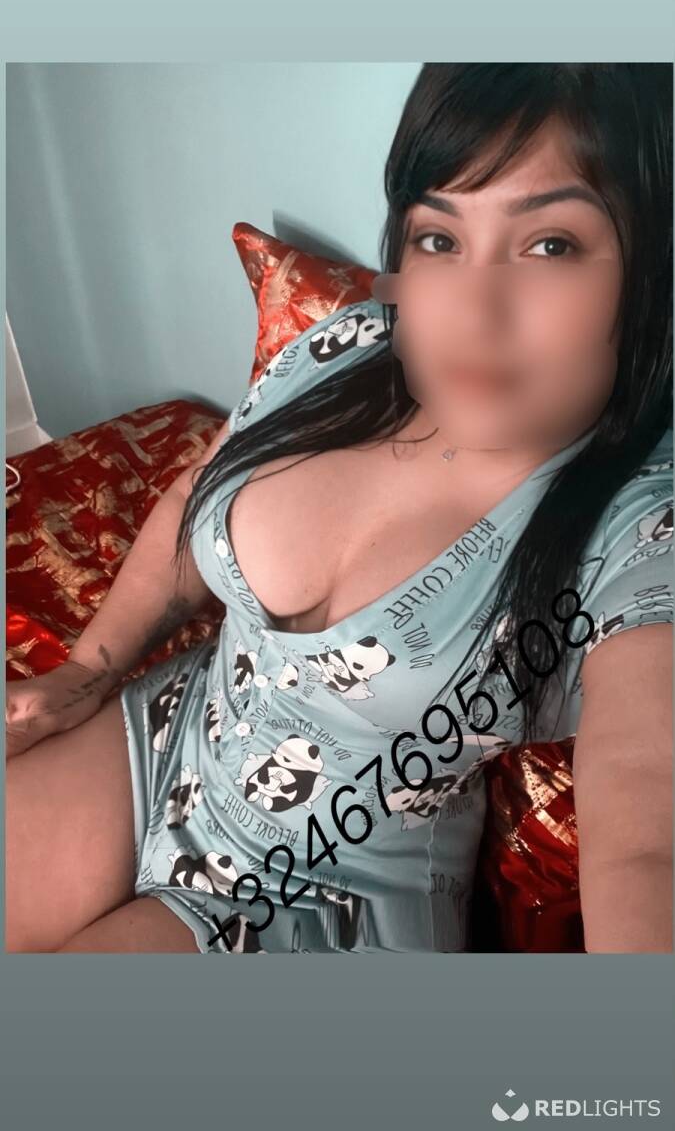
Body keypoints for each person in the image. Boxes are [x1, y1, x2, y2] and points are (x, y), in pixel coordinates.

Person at [6, 63, 673, 954]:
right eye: (439, 239)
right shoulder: (347, 347)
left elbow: (647, 846)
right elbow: (192, 501)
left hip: (325, 889)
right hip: (167, 738)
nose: (470, 309)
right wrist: (86, 670)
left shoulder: (640, 523)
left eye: (549, 245)